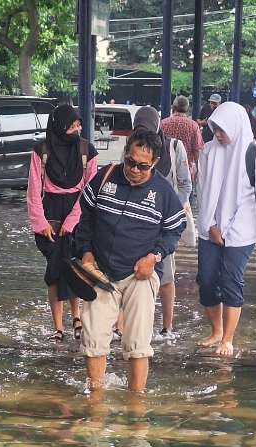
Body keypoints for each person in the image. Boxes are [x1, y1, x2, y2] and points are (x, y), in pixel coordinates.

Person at [76, 129, 186, 393]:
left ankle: (136, 402)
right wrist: (86, 252)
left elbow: (174, 231)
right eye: (130, 162)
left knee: (137, 345)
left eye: (142, 166)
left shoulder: (163, 192)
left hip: (141, 274)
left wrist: (154, 256)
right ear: (125, 154)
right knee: (92, 339)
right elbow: (85, 217)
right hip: (101, 273)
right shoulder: (105, 178)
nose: (134, 170)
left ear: (155, 163)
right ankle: (96, 396)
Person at [196, 102, 256, 357]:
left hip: (242, 232)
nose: (218, 134)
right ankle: (216, 330)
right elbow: (202, 192)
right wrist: (209, 225)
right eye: (215, 128)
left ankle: (228, 339)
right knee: (207, 281)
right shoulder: (208, 152)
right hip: (210, 230)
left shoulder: (255, 155)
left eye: (222, 129)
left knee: (231, 281)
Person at [26, 104, 99, 341]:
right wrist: (41, 223)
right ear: (59, 127)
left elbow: (90, 190)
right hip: (50, 217)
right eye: (71, 126)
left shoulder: (88, 151)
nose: (76, 130)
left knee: (73, 266)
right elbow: (33, 191)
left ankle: (76, 317)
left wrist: (74, 219)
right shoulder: (41, 151)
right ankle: (59, 326)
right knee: (56, 269)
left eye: (78, 126)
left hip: (78, 213)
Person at [134, 105, 193, 339]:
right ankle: (131, 325)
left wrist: (170, 211)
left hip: (165, 223)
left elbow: (186, 184)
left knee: (166, 276)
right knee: (134, 273)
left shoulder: (174, 147)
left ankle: (167, 327)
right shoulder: (132, 148)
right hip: (138, 221)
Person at [161, 95, 204, 174]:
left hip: (165, 169)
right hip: (186, 168)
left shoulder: (163, 123)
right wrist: (198, 169)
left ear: (173, 108)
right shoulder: (193, 125)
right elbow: (196, 149)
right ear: (187, 109)